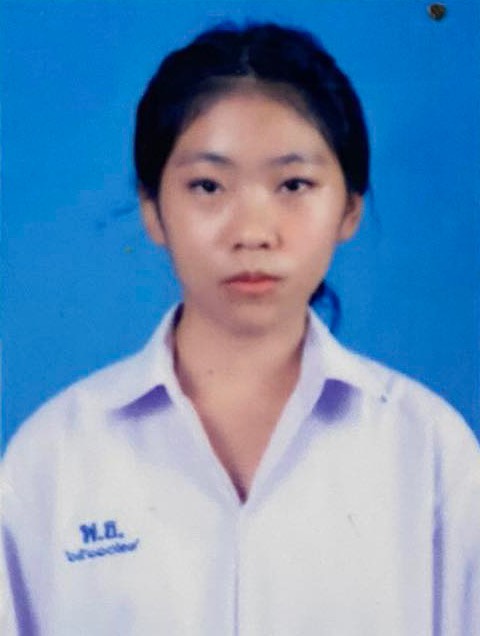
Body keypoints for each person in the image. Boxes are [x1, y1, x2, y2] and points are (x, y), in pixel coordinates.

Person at [1, 22, 479, 636]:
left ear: (350, 208)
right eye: (208, 186)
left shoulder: (428, 449)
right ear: (152, 209)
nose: (252, 232)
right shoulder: (54, 456)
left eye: (293, 185)